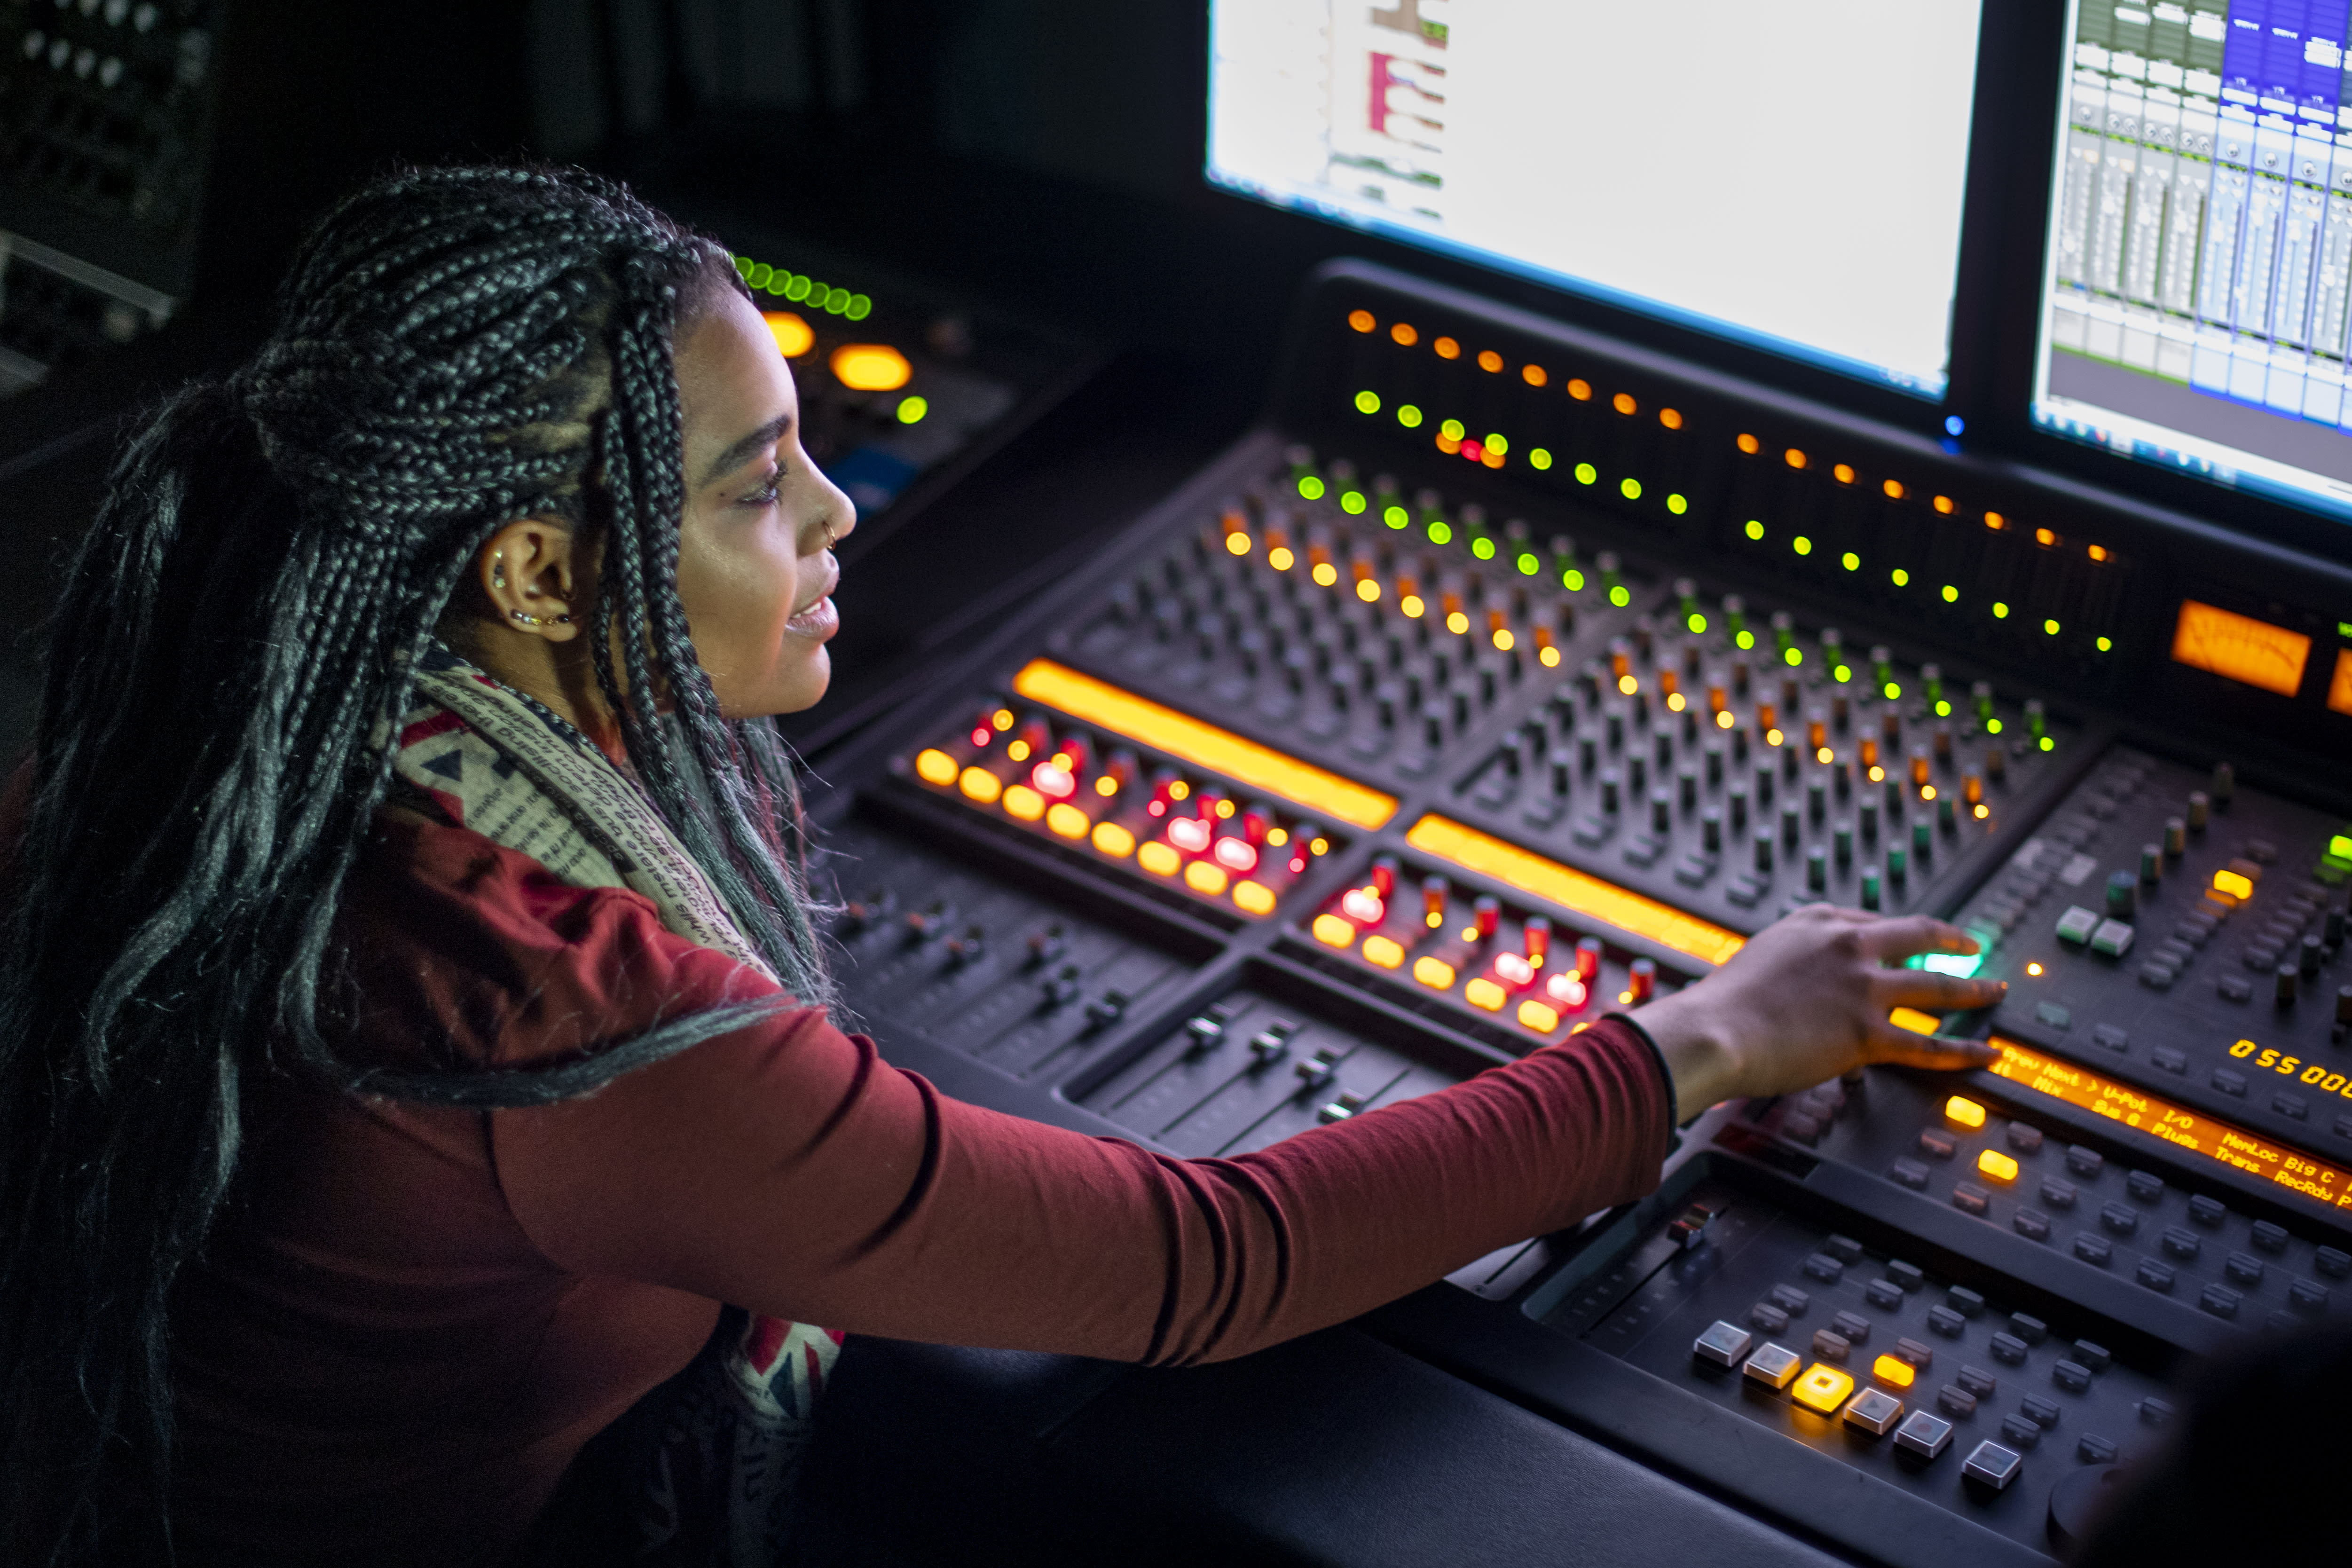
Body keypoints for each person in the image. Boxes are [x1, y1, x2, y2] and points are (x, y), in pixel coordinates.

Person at [0, 165, 2006, 1567]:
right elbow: (1197, 1264)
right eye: (750, 482)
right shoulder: (577, 1027)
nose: (833, 515)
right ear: (534, 571)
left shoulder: (214, 721)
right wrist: (1700, 1045)